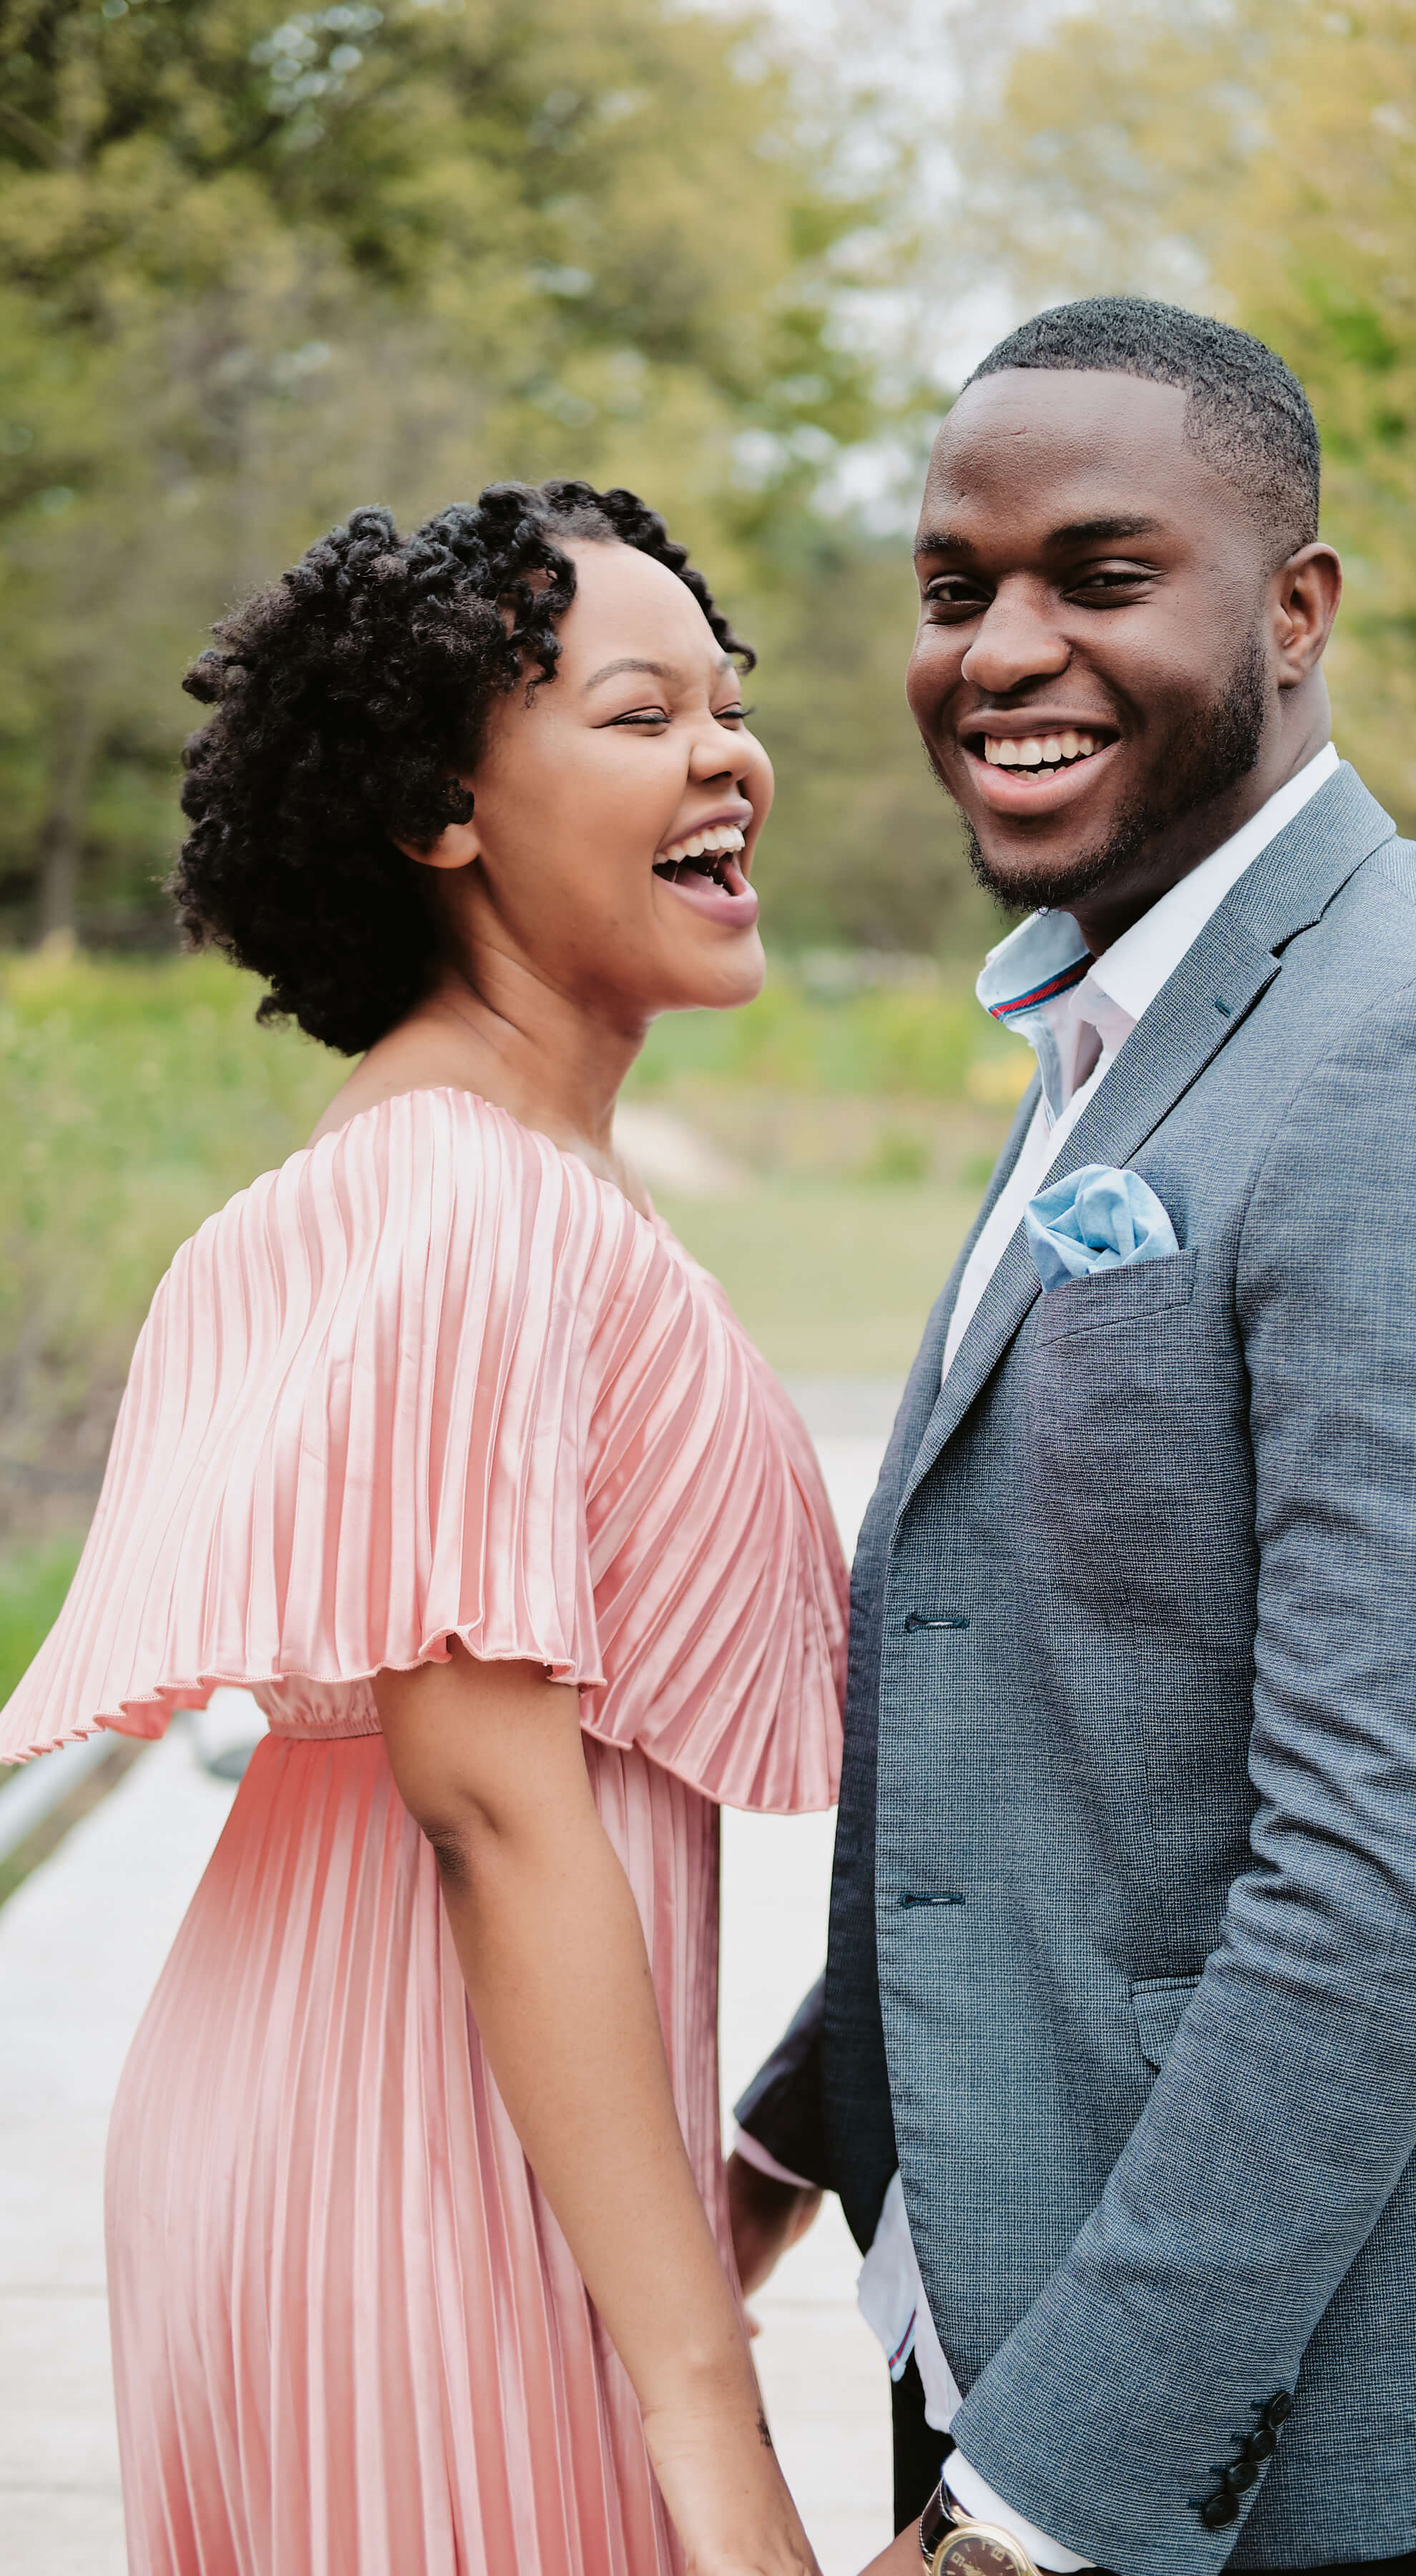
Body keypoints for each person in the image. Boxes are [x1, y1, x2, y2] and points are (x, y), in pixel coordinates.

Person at [729, 298, 1416, 2576]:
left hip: (1281, 2434)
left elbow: (1386, 1877)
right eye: (957, 591)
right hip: (1006, 2279)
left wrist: (1040, 2509)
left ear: (1295, 608)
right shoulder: (1120, 1008)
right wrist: (781, 2138)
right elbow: (1073, 1710)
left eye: (1100, 573)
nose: (1003, 650)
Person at [0, 479, 848, 2576]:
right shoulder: (464, 1196)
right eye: (641, 714)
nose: (729, 755)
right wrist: (714, 2424)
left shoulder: (470, 1175)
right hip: (411, 2146)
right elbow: (487, 1801)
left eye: (730, 709)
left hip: (429, 2128)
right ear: (440, 814)